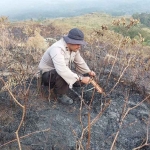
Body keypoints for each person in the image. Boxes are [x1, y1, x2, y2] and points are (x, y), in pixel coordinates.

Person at [38, 28, 96, 104]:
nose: (79, 46)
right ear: (70, 41)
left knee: (79, 80)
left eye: (80, 44)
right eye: (77, 44)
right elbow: (61, 70)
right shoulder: (57, 49)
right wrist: (81, 78)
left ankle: (66, 84)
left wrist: (88, 72)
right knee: (63, 73)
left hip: (59, 71)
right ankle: (60, 94)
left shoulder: (73, 48)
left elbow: (80, 61)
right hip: (47, 76)